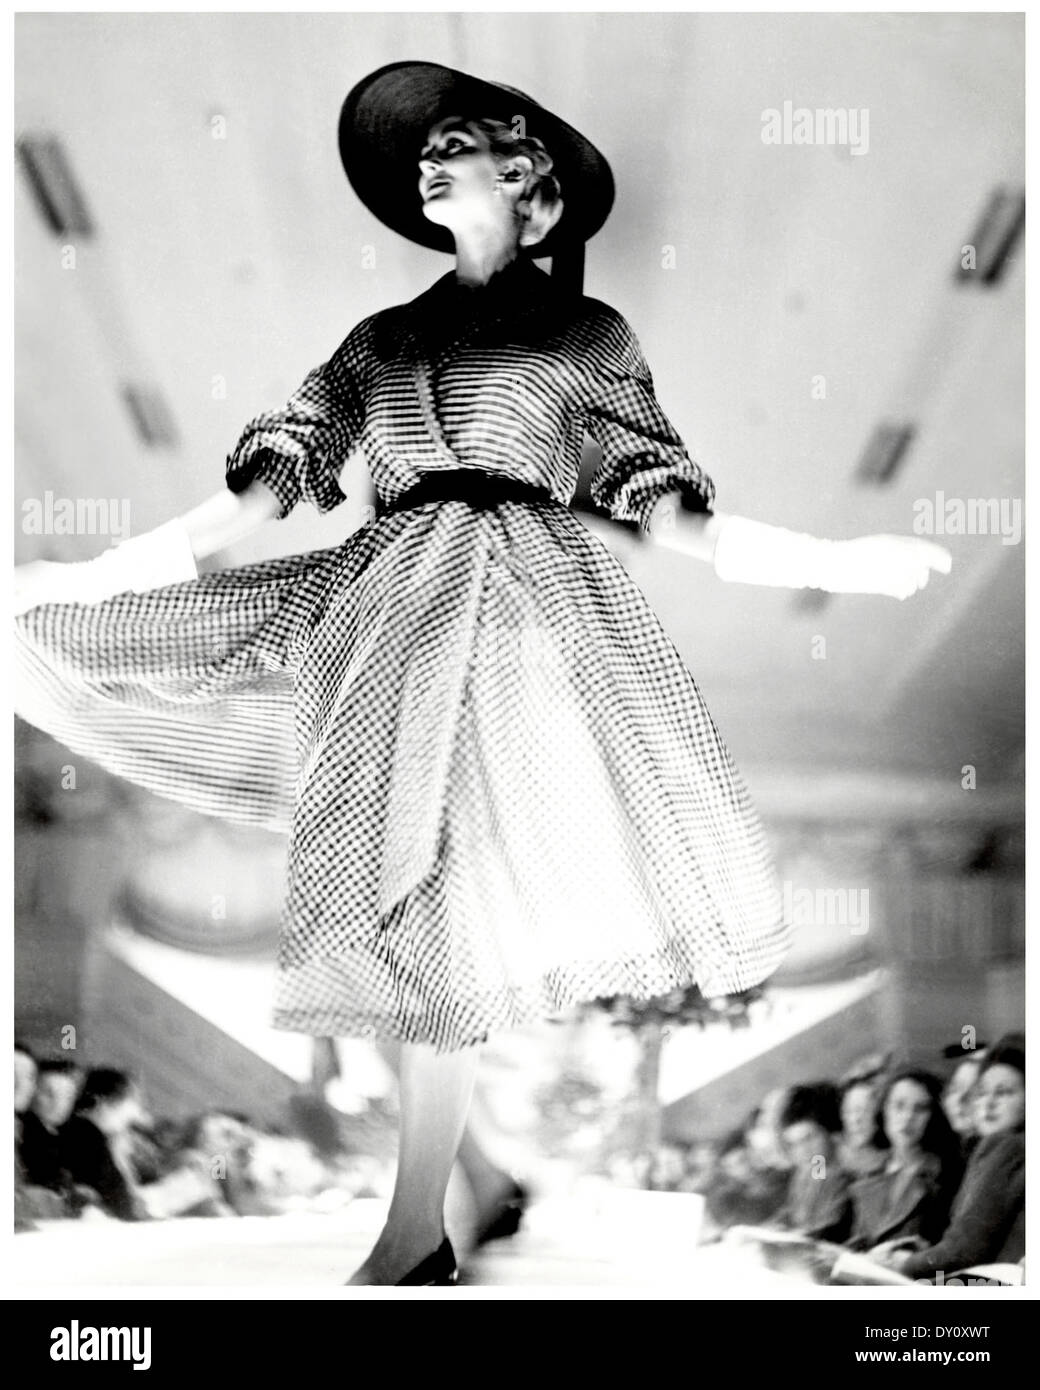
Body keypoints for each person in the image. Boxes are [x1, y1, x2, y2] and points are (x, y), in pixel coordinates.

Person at [12, 61, 951, 1285]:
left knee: (442, 905)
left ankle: (416, 1235)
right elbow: (252, 500)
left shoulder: (580, 336)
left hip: (513, 621)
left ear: (523, 176)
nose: (425, 161)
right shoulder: (379, 341)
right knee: (397, 907)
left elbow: (662, 506)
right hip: (379, 613)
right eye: (424, 153)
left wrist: (836, 556)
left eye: (451, 142)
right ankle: (472, 1184)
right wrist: (84, 579)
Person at [869, 1035, 1025, 1278]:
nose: (988, 1103)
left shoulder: (1007, 1146)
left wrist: (904, 1263)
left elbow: (964, 1249)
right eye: (982, 1092)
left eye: (1003, 1093)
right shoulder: (1000, 1148)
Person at [845, 1070, 962, 1251]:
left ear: (933, 1117)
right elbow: (859, 1241)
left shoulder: (946, 1176)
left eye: (920, 1109)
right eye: (899, 1106)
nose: (908, 1117)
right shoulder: (869, 1174)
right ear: (884, 1110)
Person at [60, 1069, 151, 1221]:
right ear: (105, 1103)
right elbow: (121, 1202)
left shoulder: (91, 1134)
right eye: (130, 1102)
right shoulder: (88, 1138)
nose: (133, 1113)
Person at [772, 1085, 853, 1243]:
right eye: (794, 1144)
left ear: (829, 1132)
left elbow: (831, 1227)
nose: (803, 1151)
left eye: (808, 1138)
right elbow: (801, 1210)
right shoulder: (816, 1166)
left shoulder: (846, 1172)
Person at [836, 1076, 888, 1179]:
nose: (856, 1120)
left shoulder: (891, 1161)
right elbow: (815, 1189)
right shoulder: (823, 1155)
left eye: (865, 1111)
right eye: (849, 1111)